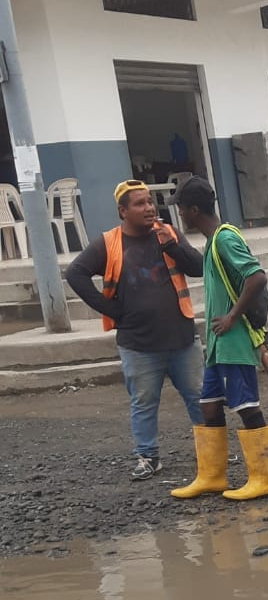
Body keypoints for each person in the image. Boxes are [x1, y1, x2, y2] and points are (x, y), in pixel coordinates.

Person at [66, 179, 204, 480]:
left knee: (198, 396)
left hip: (181, 338)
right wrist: (108, 308)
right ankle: (148, 456)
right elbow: (75, 273)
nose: (149, 208)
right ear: (123, 212)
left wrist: (173, 247)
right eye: (140, 204)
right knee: (143, 402)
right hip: (138, 344)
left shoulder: (168, 233)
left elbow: (198, 267)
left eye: (150, 202)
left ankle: (211, 450)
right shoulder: (108, 243)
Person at [169, 174, 268, 501]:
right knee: (209, 405)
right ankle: (211, 476)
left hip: (233, 341)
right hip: (218, 344)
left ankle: (264, 478)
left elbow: (256, 277)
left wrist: (232, 316)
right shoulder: (212, 241)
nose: (180, 214)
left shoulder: (224, 240)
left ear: (193, 210)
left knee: (245, 405)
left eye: (181, 209)